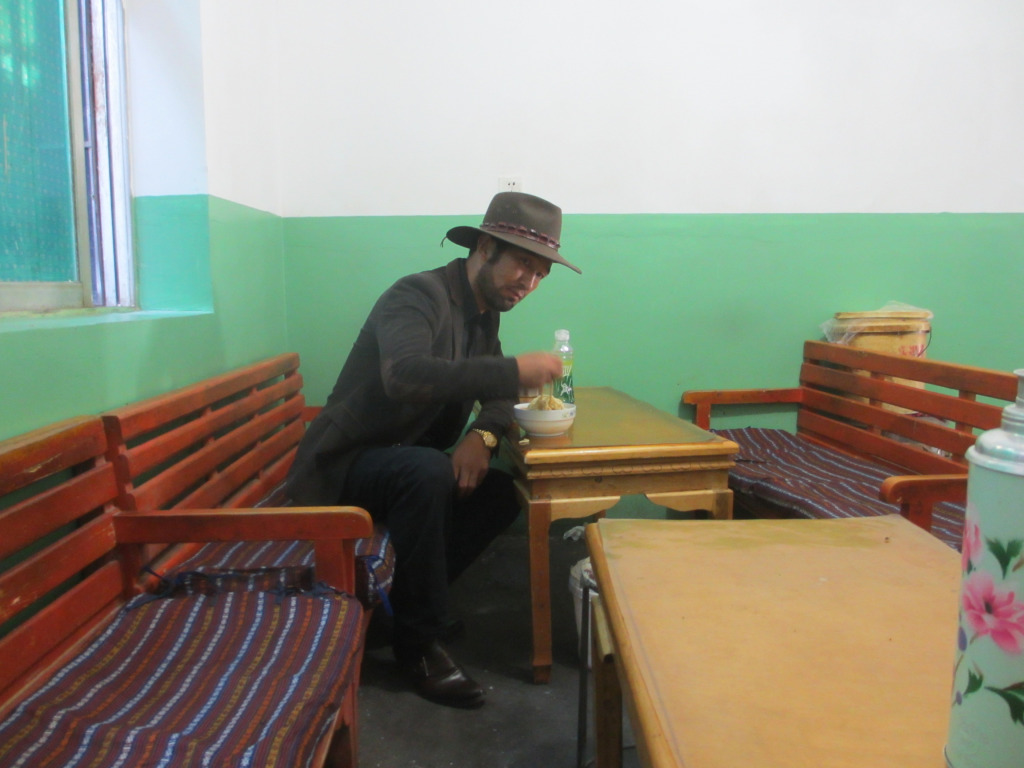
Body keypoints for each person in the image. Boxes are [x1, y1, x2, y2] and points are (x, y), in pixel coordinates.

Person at [286, 191, 581, 708]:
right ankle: (417, 644)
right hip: (342, 464)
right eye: (522, 265)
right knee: (428, 472)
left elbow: (492, 398)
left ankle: (403, 605)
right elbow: (405, 375)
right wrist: (514, 370)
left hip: (403, 466)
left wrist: (482, 436)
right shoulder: (416, 295)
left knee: (499, 491)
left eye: (540, 275)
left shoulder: (483, 316)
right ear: (486, 247)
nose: (529, 283)